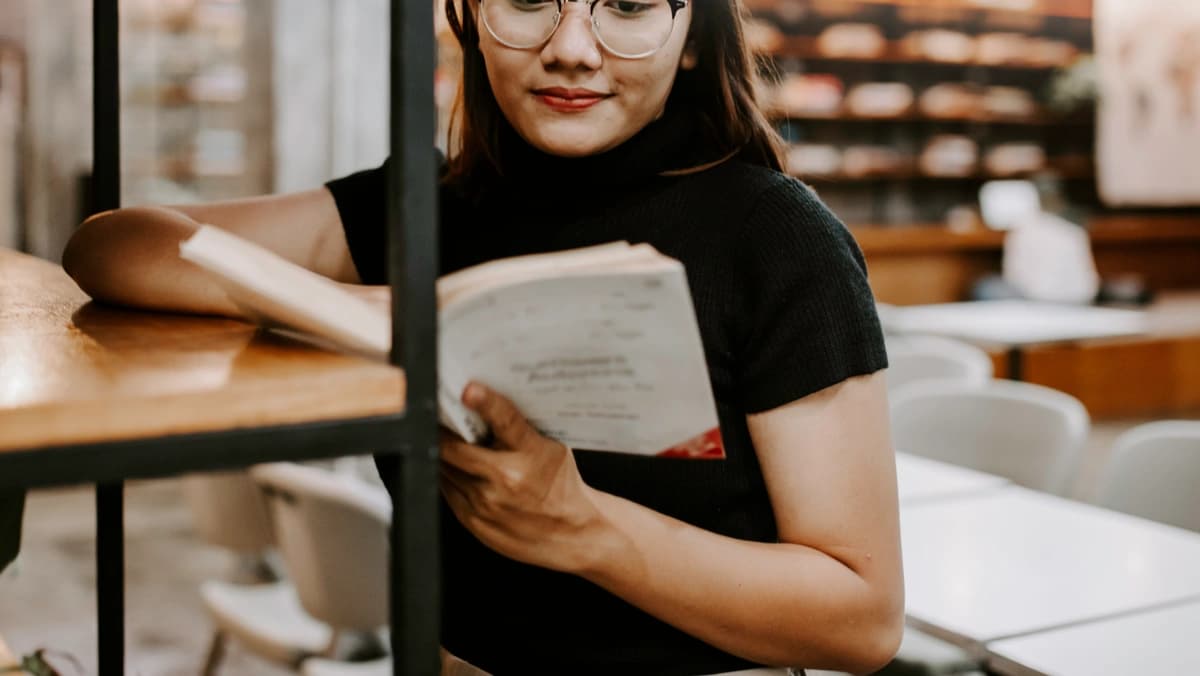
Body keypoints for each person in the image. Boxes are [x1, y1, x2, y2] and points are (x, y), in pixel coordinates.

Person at [63, 1, 904, 674]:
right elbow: (111, 245)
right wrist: (385, 311)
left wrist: (585, 528)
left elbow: (861, 621)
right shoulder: (422, 209)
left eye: (630, 5)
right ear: (466, 14)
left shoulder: (776, 237)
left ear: (690, 35)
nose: (573, 46)